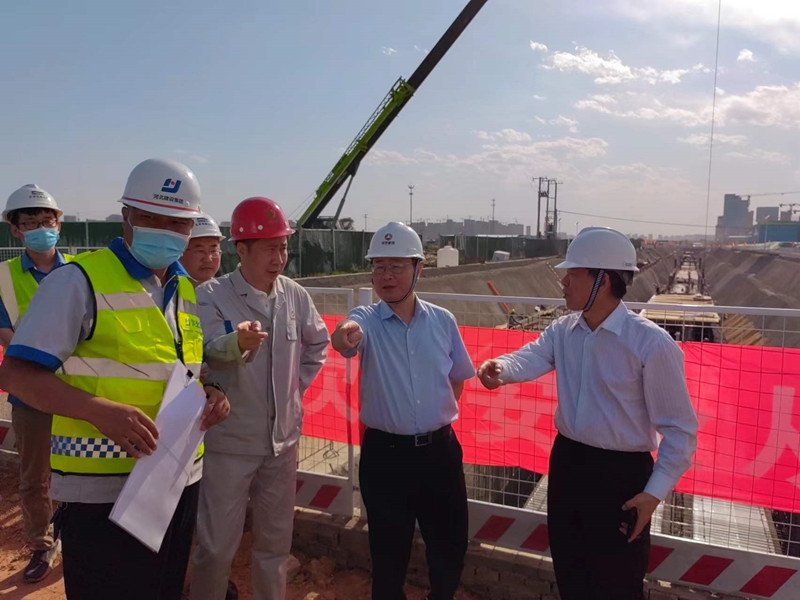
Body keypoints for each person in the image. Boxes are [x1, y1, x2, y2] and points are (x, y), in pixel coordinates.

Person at [0, 158, 230, 600]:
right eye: (151, 218)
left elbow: (175, 366)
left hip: (177, 480)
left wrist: (211, 391)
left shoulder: (183, 287)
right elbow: (17, 373)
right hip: (102, 491)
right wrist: (95, 410)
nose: (165, 230)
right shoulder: (77, 281)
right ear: (126, 215)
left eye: (177, 222)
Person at [477, 227, 698, 600]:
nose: (563, 282)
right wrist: (500, 368)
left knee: (616, 583)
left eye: (573, 274)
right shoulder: (564, 331)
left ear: (604, 280)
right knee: (571, 572)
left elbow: (679, 431)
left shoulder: (651, 345)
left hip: (621, 479)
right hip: (568, 464)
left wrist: (653, 494)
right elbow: (531, 356)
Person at [191, 196, 329, 600]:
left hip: (281, 445)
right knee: (216, 546)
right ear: (242, 250)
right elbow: (204, 352)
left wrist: (292, 391)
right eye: (269, 248)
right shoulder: (211, 295)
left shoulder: (295, 295)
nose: (279, 258)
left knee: (275, 547)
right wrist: (236, 343)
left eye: (282, 247)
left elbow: (317, 344)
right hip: (229, 443)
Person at [330, 222, 474, 600]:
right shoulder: (366, 320)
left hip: (439, 454)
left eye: (396, 266)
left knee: (449, 546)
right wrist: (342, 335)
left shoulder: (443, 321)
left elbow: (458, 378)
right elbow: (346, 335)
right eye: (379, 267)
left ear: (418, 269)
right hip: (386, 457)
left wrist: (432, 421)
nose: (386, 276)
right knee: (388, 554)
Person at [0, 184, 71, 583]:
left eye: (47, 221)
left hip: (78, 390)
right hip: (31, 393)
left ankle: (75, 532)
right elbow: (6, 334)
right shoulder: (3, 278)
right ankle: (42, 544)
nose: (41, 228)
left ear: (59, 224)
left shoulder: (81, 270)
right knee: (33, 478)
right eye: (30, 223)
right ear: (15, 230)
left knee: (80, 469)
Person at [182, 214, 224, 285]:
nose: (208, 259)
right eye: (200, 250)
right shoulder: (168, 289)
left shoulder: (228, 290)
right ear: (181, 253)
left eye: (213, 251)